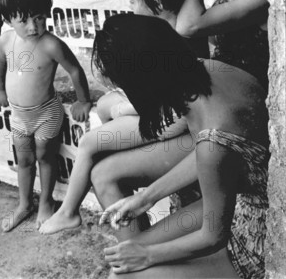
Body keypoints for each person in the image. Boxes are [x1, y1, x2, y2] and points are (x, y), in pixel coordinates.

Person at [91, 14, 268, 278]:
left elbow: (212, 237)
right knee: (128, 251)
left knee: (125, 274)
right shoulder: (205, 69)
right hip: (240, 198)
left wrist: (147, 257)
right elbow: (220, 154)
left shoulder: (213, 137)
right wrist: (146, 197)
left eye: (124, 86)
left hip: (256, 237)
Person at [40, 0, 205, 234]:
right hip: (168, 113)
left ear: (157, 4)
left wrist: (127, 109)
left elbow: (170, 106)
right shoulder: (172, 24)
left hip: (175, 123)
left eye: (131, 1)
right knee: (105, 106)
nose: (128, 8)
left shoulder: (171, 37)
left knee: (91, 142)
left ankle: (68, 211)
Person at [0, 0, 91, 231]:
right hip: (18, 116)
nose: (33, 26)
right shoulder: (5, 41)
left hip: (46, 114)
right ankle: (24, 204)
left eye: (38, 17)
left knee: (45, 157)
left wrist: (83, 101)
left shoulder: (51, 44)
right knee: (24, 160)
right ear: (8, 20)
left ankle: (46, 202)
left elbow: (76, 71)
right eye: (23, 20)